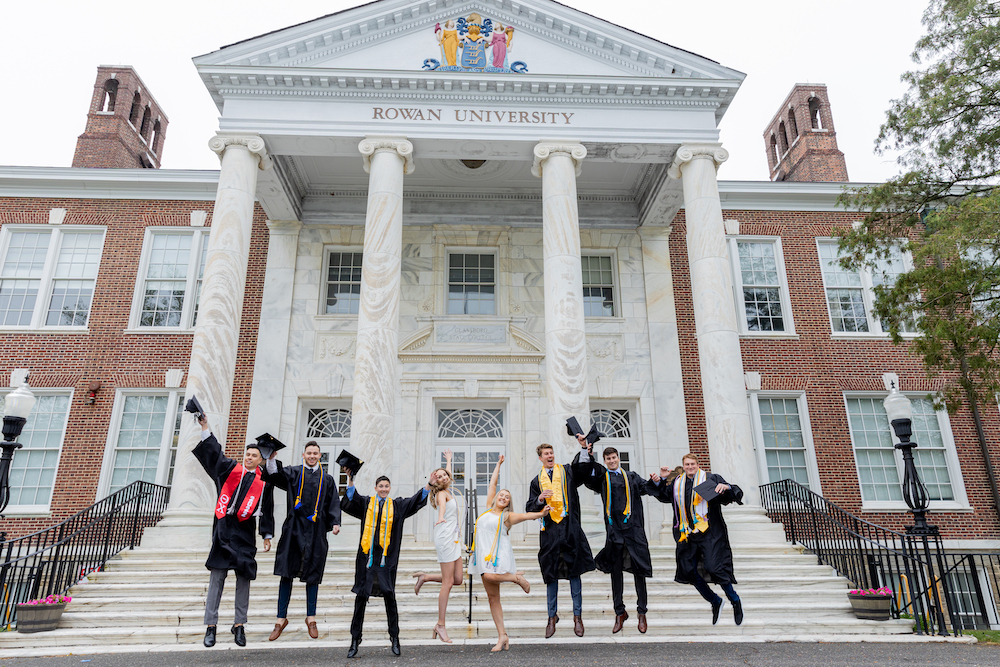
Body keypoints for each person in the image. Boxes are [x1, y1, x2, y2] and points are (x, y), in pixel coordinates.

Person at [193, 414, 274, 648]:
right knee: (217, 578)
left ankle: (239, 625)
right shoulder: (229, 469)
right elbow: (214, 454)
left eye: (254, 456)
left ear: (260, 460)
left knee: (244, 579)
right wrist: (205, 427)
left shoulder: (264, 482)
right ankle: (211, 626)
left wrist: (267, 535)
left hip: (246, 532)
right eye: (247, 454)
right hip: (224, 529)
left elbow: (267, 510)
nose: (249, 458)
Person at [577, 435, 668, 634]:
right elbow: (587, 476)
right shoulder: (602, 479)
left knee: (639, 573)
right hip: (615, 533)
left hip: (634, 532)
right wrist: (588, 453)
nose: (611, 461)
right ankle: (620, 612)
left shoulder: (632, 477)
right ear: (605, 461)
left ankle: (642, 613)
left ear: (619, 458)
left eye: (614, 458)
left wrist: (659, 479)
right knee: (616, 573)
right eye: (608, 459)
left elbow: (649, 489)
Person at [341, 470, 431, 658]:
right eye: (380, 486)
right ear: (375, 488)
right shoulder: (367, 503)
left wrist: (429, 485)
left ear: (389, 489)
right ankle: (355, 639)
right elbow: (351, 498)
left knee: (390, 597)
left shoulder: (396, 505)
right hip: (367, 559)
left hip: (386, 560)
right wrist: (350, 479)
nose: (383, 489)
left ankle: (395, 638)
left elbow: (415, 500)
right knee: (361, 598)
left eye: (386, 486)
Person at [262, 440, 341, 641]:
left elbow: (333, 502)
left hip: (315, 531)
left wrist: (335, 522)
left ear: (320, 456)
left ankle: (311, 618)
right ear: (303, 455)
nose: (312, 456)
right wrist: (271, 460)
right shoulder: (293, 472)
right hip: (293, 529)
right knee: (286, 572)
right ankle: (280, 619)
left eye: (316, 453)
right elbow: (275, 475)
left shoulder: (327, 479)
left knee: (313, 574)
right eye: (309, 453)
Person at [471, 454, 549, 651]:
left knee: (489, 576)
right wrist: (498, 464)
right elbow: (492, 483)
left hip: (497, 555)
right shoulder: (488, 509)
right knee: (492, 598)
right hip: (482, 555)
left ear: (507, 503)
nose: (503, 497)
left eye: (507, 497)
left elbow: (525, 516)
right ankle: (502, 636)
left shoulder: (507, 516)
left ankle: (516, 578)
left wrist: (540, 514)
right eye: (501, 495)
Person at [658, 453, 745, 626]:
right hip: (688, 534)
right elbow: (662, 496)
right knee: (688, 571)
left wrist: (726, 487)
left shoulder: (710, 479)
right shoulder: (677, 483)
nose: (690, 467)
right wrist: (661, 479)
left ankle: (735, 600)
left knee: (715, 568)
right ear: (683, 466)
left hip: (710, 533)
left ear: (698, 464)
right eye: (687, 464)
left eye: (692, 464)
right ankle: (714, 601)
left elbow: (730, 493)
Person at [526, 442, 596, 638]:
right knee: (551, 575)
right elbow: (530, 508)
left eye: (551, 452)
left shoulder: (566, 472)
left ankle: (577, 617)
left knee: (575, 573)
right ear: (540, 458)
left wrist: (583, 449)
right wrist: (540, 500)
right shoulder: (536, 481)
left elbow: (581, 469)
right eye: (546, 454)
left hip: (569, 528)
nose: (550, 456)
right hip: (550, 531)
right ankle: (551, 616)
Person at [411, 450, 463, 643]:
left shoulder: (447, 488)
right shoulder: (442, 493)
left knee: (457, 579)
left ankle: (426, 577)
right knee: (448, 583)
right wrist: (441, 517)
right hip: (445, 537)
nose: (443, 477)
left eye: (445, 474)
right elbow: (441, 507)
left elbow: (447, 474)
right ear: (437, 481)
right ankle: (440, 624)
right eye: (439, 476)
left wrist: (448, 460)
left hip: (453, 537)